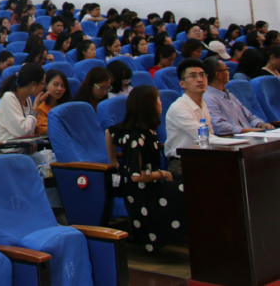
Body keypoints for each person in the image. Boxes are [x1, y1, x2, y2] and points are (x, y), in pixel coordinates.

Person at [107, 85, 186, 253]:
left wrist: (113, 160)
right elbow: (136, 176)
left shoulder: (137, 128)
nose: (161, 103)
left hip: (149, 186)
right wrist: (162, 174)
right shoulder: (138, 137)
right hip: (142, 193)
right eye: (158, 99)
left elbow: (109, 132)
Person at [165, 59, 215, 178]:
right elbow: (204, 137)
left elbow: (210, 135)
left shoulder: (203, 104)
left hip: (202, 157)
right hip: (180, 162)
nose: (200, 79)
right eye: (193, 76)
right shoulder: (179, 107)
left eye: (202, 75)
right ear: (182, 84)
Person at [202, 56, 272, 135]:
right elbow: (219, 127)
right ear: (218, 75)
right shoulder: (208, 98)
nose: (229, 72)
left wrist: (261, 124)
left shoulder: (229, 95)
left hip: (249, 135)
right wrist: (250, 131)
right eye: (227, 69)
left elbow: (249, 117)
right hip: (234, 138)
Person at [0, 63, 49, 144]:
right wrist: (35, 107)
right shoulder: (9, 98)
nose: (44, 87)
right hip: (5, 148)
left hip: (20, 148)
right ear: (33, 84)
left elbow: (29, 131)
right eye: (43, 84)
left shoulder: (27, 99)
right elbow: (24, 131)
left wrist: (31, 142)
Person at [35, 69, 72, 135]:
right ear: (46, 85)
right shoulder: (40, 108)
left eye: (63, 86)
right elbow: (44, 131)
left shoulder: (67, 106)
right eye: (55, 84)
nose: (60, 88)